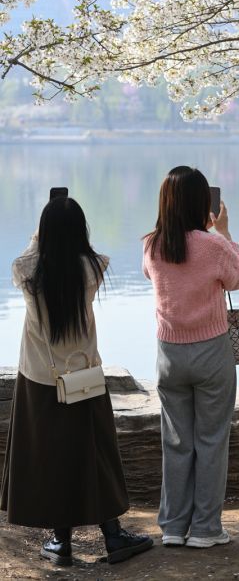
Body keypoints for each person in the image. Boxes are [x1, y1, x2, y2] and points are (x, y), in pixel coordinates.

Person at [0, 196, 153, 566]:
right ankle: (113, 536)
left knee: (50, 457)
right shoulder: (93, 268)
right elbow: (92, 254)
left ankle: (60, 541)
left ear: (45, 232)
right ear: (80, 231)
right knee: (94, 452)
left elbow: (27, 257)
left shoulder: (27, 271)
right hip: (84, 378)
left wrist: (38, 238)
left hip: (40, 379)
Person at [142, 166, 239, 548]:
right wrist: (224, 233)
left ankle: (173, 526)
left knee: (176, 441)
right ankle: (205, 528)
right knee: (211, 440)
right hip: (211, 351)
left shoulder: (152, 245)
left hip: (168, 353)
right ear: (204, 203)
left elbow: (149, 276)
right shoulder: (212, 245)